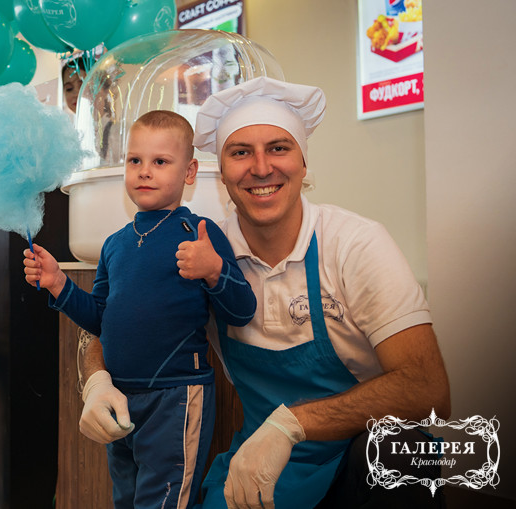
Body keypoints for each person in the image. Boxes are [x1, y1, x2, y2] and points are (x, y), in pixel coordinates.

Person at [79, 76, 452, 508]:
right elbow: (111, 321)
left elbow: (428, 389)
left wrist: (291, 425)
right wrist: (96, 379)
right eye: (241, 152)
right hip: (258, 469)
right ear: (221, 174)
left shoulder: (355, 244)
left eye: (278, 148)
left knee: (401, 453)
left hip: (357, 458)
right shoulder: (201, 249)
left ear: (303, 162)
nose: (260, 168)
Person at [24, 110, 257, 509]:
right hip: (119, 397)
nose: (144, 171)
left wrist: (215, 270)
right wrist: (58, 283)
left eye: (160, 161)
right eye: (135, 160)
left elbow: (242, 311)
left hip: (177, 397)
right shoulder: (114, 244)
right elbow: (99, 317)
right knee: (127, 499)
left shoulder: (200, 234)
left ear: (189, 172)